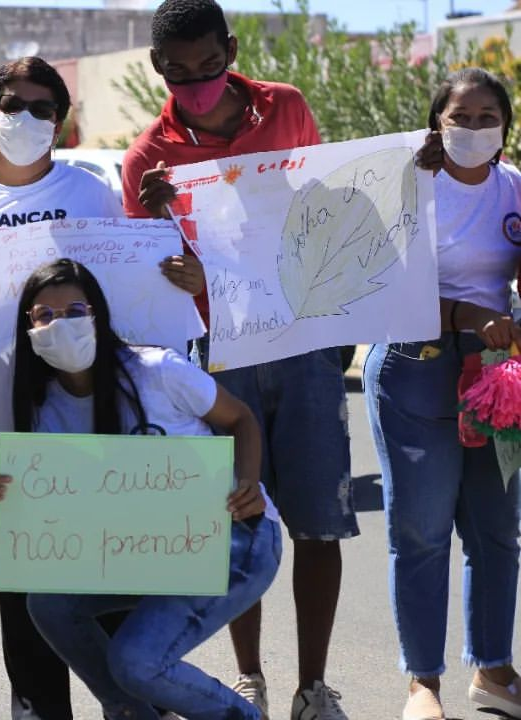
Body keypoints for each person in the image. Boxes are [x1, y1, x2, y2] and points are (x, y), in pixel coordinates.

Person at [0, 56, 175, 720]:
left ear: (61, 121)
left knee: (110, 563)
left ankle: (130, 701)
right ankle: (38, 705)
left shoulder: (91, 192)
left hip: (88, 409)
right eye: (14, 106)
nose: (27, 119)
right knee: (28, 567)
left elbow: (123, 293)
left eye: (44, 108)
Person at [121, 2, 356, 718]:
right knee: (237, 518)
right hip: (218, 358)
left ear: (229, 48)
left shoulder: (286, 108)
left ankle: (312, 689)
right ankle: (248, 676)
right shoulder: (144, 160)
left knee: (319, 522)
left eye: (209, 64)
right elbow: (144, 282)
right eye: (179, 71)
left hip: (303, 340)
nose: (196, 81)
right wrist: (178, 263)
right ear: (159, 67)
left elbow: (320, 203)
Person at [0, 257, 280, 720]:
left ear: (98, 315)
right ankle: (132, 714)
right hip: (142, 557)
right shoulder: (40, 412)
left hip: (232, 540)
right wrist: (1, 498)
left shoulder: (157, 370)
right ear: (29, 328)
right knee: (48, 604)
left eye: (76, 311)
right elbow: (35, 526)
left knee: (135, 662)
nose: (62, 325)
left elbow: (240, 418)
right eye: (46, 316)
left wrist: (247, 482)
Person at [365, 67, 521, 720]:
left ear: (506, 130)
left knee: (496, 530)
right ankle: (421, 683)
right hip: (414, 364)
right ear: (437, 123)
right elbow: (376, 279)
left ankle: (492, 669)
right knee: (422, 531)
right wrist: (465, 316)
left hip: (495, 373)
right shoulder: (407, 181)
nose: (475, 128)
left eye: (490, 117)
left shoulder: (514, 186)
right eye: (462, 116)